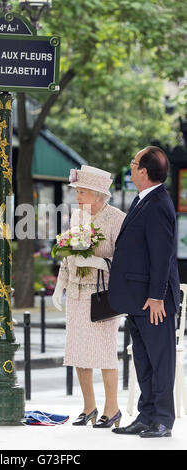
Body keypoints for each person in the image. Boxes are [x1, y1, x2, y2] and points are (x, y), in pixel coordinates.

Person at [108, 146, 180, 438]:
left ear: (144, 171)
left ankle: (163, 419)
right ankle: (146, 415)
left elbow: (163, 255)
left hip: (154, 301)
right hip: (137, 300)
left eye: (134, 163)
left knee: (160, 361)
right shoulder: (143, 201)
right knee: (143, 359)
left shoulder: (160, 203)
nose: (131, 166)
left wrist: (156, 296)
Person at [52, 165, 126, 428]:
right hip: (77, 293)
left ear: (97, 194)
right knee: (78, 352)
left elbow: (124, 262)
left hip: (103, 296)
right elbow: (67, 255)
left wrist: (100, 262)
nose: (78, 197)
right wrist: (60, 285)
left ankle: (112, 409)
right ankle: (89, 407)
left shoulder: (117, 219)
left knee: (105, 353)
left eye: (82, 192)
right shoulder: (76, 217)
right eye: (77, 191)